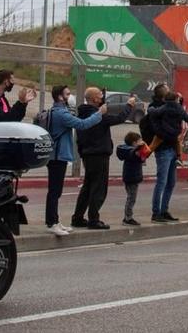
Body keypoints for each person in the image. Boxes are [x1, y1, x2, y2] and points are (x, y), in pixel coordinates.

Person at [46, 85, 104, 236]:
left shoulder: (55, 111)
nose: (69, 97)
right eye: (67, 94)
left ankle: (55, 220)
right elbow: (82, 124)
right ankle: (51, 222)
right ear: (60, 97)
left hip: (56, 155)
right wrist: (99, 114)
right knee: (54, 191)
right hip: (57, 156)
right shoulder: (61, 114)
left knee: (56, 190)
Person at [69, 86, 125, 230]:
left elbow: (79, 138)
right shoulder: (98, 115)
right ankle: (94, 219)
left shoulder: (82, 114)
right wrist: (129, 106)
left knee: (88, 187)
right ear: (94, 99)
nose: (102, 98)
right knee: (98, 188)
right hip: (99, 154)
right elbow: (119, 118)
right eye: (100, 95)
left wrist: (82, 153)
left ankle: (78, 217)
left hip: (88, 155)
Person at [143, 90, 188, 221]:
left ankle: (164, 210)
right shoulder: (163, 109)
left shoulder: (161, 108)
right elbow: (187, 117)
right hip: (164, 148)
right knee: (162, 181)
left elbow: (154, 112)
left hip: (171, 147)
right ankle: (156, 212)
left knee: (170, 182)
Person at [117, 130, 146, 226]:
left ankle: (128, 217)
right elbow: (134, 153)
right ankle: (127, 218)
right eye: (139, 141)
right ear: (134, 143)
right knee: (131, 198)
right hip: (132, 178)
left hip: (132, 177)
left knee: (131, 197)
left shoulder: (129, 151)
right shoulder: (131, 151)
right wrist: (140, 148)